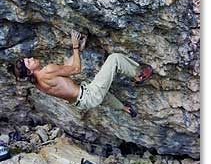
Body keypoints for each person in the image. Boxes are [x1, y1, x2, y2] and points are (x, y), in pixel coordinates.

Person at [9, 30, 152, 117]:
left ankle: (124, 108)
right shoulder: (48, 70)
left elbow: (67, 68)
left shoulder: (38, 83)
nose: (31, 58)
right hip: (88, 95)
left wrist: (79, 50)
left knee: (104, 95)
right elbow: (76, 69)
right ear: (29, 71)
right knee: (114, 59)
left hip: (81, 102)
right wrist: (75, 45)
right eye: (28, 62)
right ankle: (138, 75)